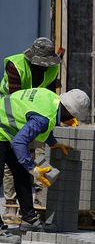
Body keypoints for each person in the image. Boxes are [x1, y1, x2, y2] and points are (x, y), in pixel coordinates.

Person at [0, 88, 89, 244]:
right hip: (3, 130)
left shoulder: (51, 99)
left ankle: (30, 219)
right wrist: (34, 169)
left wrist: (54, 143)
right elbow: (20, 142)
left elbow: (36, 121)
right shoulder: (45, 117)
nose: (72, 120)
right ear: (69, 111)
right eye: (73, 116)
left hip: (6, 129)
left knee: (21, 174)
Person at [1, 37, 61, 220]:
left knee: (24, 166)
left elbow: (48, 97)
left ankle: (30, 214)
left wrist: (52, 140)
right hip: (7, 117)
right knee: (13, 165)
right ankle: (10, 208)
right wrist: (31, 165)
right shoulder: (16, 65)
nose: (44, 67)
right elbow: (15, 100)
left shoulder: (52, 69)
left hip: (30, 117)